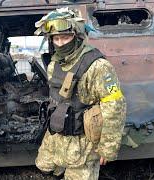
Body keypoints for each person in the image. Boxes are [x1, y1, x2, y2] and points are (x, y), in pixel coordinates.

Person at [34, 8, 127, 180]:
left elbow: (114, 107)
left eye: (66, 37)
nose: (61, 43)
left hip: (83, 142)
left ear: (77, 37)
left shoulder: (98, 66)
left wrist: (107, 147)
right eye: (56, 38)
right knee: (45, 168)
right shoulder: (54, 64)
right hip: (56, 135)